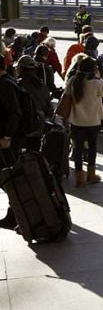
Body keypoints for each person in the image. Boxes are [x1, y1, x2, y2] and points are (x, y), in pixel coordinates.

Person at [64, 56, 103, 187]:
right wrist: (98, 76)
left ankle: (79, 177)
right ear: (93, 69)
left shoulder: (73, 80)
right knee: (92, 148)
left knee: (77, 148)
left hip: (76, 121)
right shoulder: (96, 83)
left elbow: (66, 95)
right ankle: (91, 174)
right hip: (93, 121)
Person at [0, 51, 22, 230]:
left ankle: (16, 213)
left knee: (8, 179)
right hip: (5, 139)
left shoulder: (5, 85)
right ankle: (15, 213)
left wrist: (7, 137)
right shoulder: (6, 82)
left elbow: (15, 113)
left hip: (6, 141)